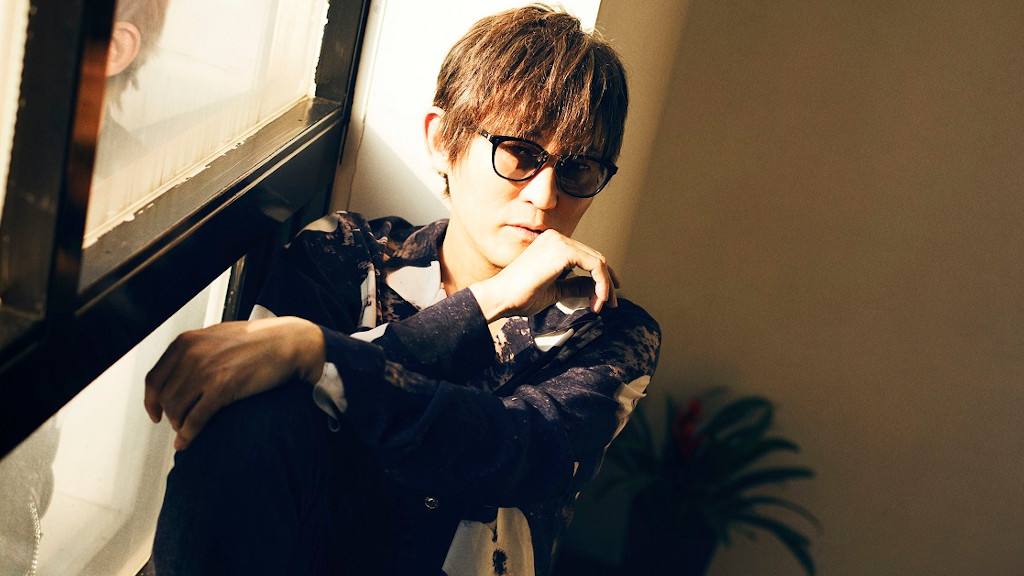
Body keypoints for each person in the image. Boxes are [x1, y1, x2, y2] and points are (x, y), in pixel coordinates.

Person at [144, 5, 660, 575]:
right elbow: (251, 417)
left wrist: (318, 353)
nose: (544, 197)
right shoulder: (346, 253)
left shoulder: (610, 331)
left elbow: (510, 452)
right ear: (442, 141)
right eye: (520, 153)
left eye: (578, 170)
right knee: (254, 418)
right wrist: (488, 301)